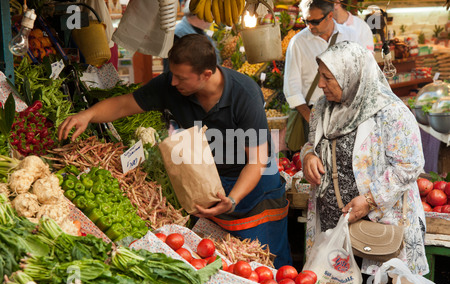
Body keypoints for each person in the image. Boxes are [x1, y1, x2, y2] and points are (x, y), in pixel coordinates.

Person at [58, 34, 292, 268]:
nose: (172, 82)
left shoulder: (244, 94)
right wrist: (87, 115)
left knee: (268, 267)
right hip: (211, 184)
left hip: (256, 191)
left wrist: (233, 199)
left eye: (181, 77)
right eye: (172, 74)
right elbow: (123, 104)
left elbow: (258, 160)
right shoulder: (172, 86)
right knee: (225, 265)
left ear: (206, 75)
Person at [299, 41, 429, 284]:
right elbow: (311, 144)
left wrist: (370, 200)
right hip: (333, 228)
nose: (321, 84)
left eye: (328, 77)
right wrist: (308, 156)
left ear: (351, 76)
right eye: (321, 76)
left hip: (379, 228)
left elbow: (409, 165)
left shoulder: (390, 112)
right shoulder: (322, 109)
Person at [283, 0, 360, 152]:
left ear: (330, 15)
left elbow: (359, 73)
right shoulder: (298, 43)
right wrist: (312, 120)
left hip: (345, 114)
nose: (310, 26)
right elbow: (291, 88)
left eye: (315, 21)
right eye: (305, 21)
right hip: (311, 114)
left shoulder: (350, 35)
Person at [162, 0, 221, 73]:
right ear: (199, 13)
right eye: (211, 12)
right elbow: (172, 72)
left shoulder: (199, 32)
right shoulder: (178, 36)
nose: (213, 17)